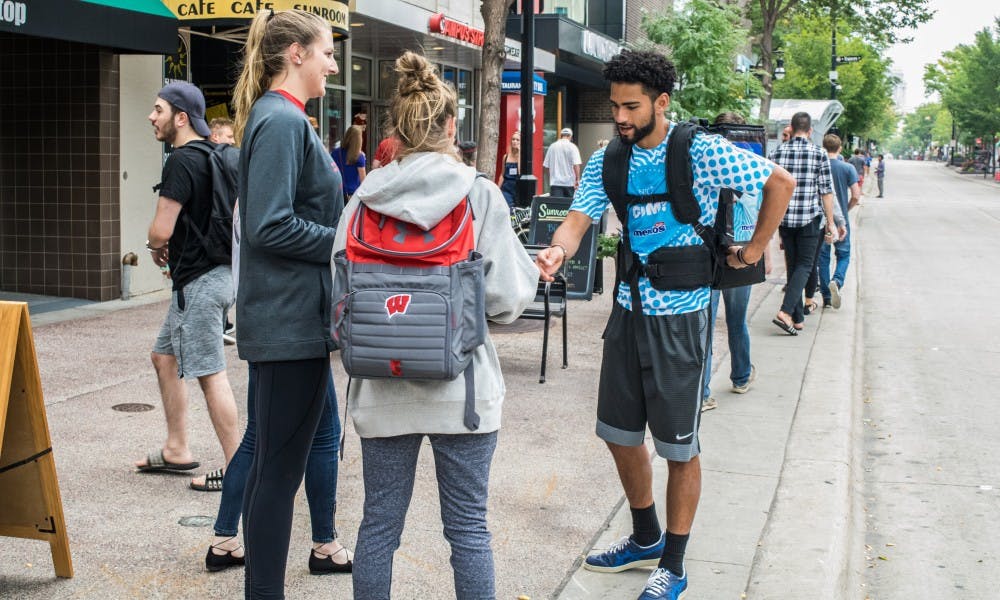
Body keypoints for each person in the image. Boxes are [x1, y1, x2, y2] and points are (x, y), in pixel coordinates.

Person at [535, 50, 794, 599]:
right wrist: (558, 251)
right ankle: (646, 536)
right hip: (627, 312)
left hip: (681, 316)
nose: (621, 117)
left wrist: (752, 251)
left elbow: (780, 182)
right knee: (619, 435)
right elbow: (579, 218)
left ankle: (673, 565)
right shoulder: (611, 157)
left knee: (678, 446)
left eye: (631, 107)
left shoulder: (698, 150)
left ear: (662, 102)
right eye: (615, 107)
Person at [333, 51, 537, 599]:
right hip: (464, 393)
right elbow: (508, 299)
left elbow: (338, 295)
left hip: (381, 389)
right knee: (469, 531)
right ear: (451, 126)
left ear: (394, 129)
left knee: (378, 528)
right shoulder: (477, 195)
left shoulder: (363, 198)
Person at [231, 9, 343, 597]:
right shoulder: (279, 120)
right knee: (277, 474)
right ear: (295, 53)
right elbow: (267, 226)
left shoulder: (283, 118)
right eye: (326, 52)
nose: (333, 63)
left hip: (294, 322)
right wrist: (345, 242)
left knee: (275, 468)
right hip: (287, 324)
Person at [135, 81, 240, 492]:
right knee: (165, 357)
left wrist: (154, 245)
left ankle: (236, 470)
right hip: (216, 275)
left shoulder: (180, 161)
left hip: (198, 282)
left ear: (180, 117)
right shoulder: (218, 154)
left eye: (158, 109)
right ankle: (177, 447)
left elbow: (161, 230)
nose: (151, 116)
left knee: (211, 374)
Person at [700, 111, 764, 413]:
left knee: (706, 325)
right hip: (742, 251)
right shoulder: (754, 166)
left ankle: (702, 394)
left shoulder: (707, 162)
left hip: (710, 251)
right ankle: (740, 376)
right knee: (737, 321)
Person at [770, 112, 837, 335]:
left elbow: (770, 188)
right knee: (805, 265)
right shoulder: (819, 153)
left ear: (791, 127)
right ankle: (786, 311)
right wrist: (831, 222)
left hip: (784, 218)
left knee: (793, 264)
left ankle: (797, 318)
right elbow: (826, 191)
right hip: (809, 218)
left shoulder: (777, 152)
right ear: (810, 131)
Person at [818, 134, 860, 309]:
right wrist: (847, 209)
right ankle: (837, 280)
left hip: (822, 219)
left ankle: (826, 297)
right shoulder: (848, 168)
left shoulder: (819, 165)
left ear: (823, 147)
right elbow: (856, 195)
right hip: (841, 217)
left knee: (823, 257)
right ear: (840, 148)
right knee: (843, 255)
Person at [208, 117, 238, 347]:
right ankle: (220, 324)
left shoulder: (209, 161)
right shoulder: (224, 157)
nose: (233, 141)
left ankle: (222, 323)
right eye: (229, 137)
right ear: (215, 136)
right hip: (225, 231)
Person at [543, 127, 582, 197]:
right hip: (569, 183)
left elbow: (546, 166)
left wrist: (551, 177)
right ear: (570, 136)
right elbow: (576, 165)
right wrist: (577, 179)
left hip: (555, 183)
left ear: (561, 136)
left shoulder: (552, 147)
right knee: (568, 205)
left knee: (556, 206)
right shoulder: (573, 147)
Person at [331, 124, 367, 200]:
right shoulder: (359, 157)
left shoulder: (335, 153)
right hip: (352, 196)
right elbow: (364, 182)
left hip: (337, 193)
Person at [497, 130, 520, 210]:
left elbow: (520, 172)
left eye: (517, 140)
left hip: (517, 188)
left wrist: (519, 153)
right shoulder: (506, 157)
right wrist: (497, 189)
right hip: (506, 188)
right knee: (507, 208)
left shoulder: (521, 157)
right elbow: (502, 175)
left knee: (517, 211)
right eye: (513, 139)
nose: (515, 141)